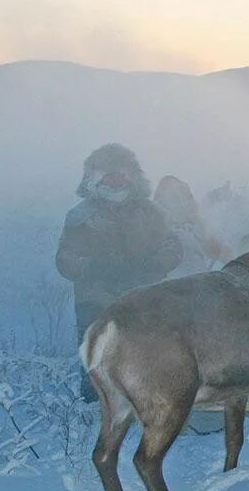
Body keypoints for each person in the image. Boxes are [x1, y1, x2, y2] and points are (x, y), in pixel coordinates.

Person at [56, 143, 183, 400]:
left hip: (144, 298)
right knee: (96, 359)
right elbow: (65, 259)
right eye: (107, 176)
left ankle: (146, 400)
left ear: (132, 177)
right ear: (92, 179)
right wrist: (94, 268)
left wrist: (155, 265)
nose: (114, 182)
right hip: (95, 301)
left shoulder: (151, 213)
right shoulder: (79, 217)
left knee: (148, 354)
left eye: (120, 175)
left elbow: (173, 246)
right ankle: (94, 408)